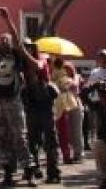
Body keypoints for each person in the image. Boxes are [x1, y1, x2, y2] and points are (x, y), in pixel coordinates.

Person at [0, 7, 38, 187]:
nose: (4, 41)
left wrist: (8, 20)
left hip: (13, 100)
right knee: (0, 136)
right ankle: (7, 171)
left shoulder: (16, 54)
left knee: (19, 136)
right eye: (1, 40)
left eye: (6, 39)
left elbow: (17, 39)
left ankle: (28, 170)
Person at [21, 41, 60, 183]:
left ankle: (53, 172)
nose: (26, 49)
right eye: (24, 47)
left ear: (33, 48)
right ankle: (32, 170)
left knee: (50, 141)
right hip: (31, 104)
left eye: (28, 46)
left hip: (45, 104)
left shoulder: (42, 58)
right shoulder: (21, 64)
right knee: (31, 141)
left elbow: (38, 65)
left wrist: (24, 53)